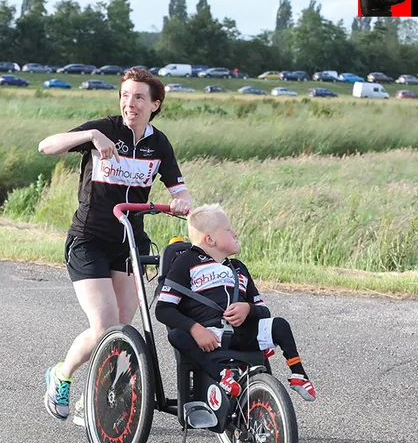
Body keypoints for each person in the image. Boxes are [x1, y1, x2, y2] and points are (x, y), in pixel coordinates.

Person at [39, 68, 193, 424]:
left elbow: (178, 188)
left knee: (122, 330)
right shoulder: (104, 129)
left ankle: (91, 401)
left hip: (129, 243)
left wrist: (183, 201)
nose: (130, 103)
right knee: (104, 327)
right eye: (125, 95)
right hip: (89, 240)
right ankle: (61, 375)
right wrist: (91, 135)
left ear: (154, 105)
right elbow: (46, 146)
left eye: (139, 97)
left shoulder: (159, 144)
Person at [155, 204, 316, 402]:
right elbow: (163, 309)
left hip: (243, 333)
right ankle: (222, 375)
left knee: (280, 325)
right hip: (208, 338)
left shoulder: (239, 268)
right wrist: (195, 329)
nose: (235, 233)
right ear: (210, 239)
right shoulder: (186, 262)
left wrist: (248, 309)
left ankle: (299, 374)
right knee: (176, 335)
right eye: (228, 230)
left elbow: (263, 310)